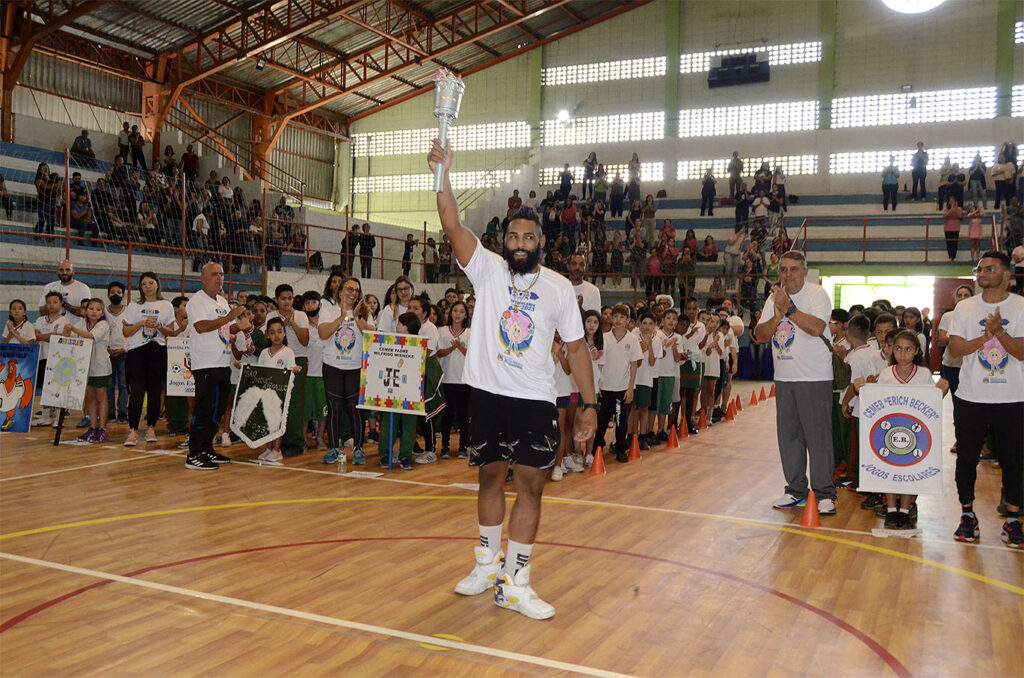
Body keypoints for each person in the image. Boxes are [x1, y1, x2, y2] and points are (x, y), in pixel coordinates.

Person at [430, 138, 597, 620]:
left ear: (540, 242)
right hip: (487, 395)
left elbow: (578, 348)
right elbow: (449, 221)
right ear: (505, 240)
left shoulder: (559, 288)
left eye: (529, 238)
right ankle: (486, 564)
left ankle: (517, 582)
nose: (520, 244)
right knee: (488, 479)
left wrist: (588, 403)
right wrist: (443, 172)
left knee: (530, 486)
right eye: (513, 238)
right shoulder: (486, 269)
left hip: (534, 400)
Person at [946, 252, 1023, 549]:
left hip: (1013, 397)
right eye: (980, 268)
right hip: (971, 397)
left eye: (990, 268)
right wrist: (986, 336)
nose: (982, 272)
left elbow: (1021, 352)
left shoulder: (1021, 307)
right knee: (966, 459)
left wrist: (1000, 332)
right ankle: (967, 516)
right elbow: (955, 348)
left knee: (1014, 461)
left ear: (1007, 274)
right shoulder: (965, 308)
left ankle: (1013, 520)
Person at [754, 251, 836, 515]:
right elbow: (759, 335)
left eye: (794, 269)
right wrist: (777, 315)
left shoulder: (816, 294)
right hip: (785, 378)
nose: (788, 275)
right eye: (784, 270)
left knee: (818, 439)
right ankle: (795, 490)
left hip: (814, 378)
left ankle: (824, 493)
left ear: (804, 272)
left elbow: (815, 327)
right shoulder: (773, 298)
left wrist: (788, 308)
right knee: (789, 438)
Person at [874, 329, 950, 529]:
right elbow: (875, 404)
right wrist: (862, 388)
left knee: (911, 470)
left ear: (917, 351)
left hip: (914, 434)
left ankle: (905, 511)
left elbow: (930, 405)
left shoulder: (924, 374)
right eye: (898, 349)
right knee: (888, 471)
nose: (902, 354)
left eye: (908, 349)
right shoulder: (886, 374)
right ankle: (891, 510)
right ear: (892, 351)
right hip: (889, 433)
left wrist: (941, 392)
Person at [185, 262, 245, 470]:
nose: (219, 278)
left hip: (223, 362)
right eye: (214, 274)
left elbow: (224, 328)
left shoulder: (221, 301)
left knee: (217, 410)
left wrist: (240, 326)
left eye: (221, 274)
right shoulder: (196, 302)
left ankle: (206, 448)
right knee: (204, 409)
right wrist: (230, 317)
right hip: (206, 364)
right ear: (202, 277)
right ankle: (194, 453)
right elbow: (201, 327)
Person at [319, 277, 373, 466]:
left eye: (356, 290)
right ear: (340, 291)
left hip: (355, 368)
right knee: (334, 409)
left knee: (354, 410)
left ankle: (358, 449)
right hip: (332, 367)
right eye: (349, 289)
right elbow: (323, 333)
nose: (353, 293)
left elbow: (372, 336)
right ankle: (333, 449)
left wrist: (357, 318)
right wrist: (342, 316)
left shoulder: (364, 312)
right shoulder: (328, 310)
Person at [121, 272, 176, 447]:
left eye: (151, 283)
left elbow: (172, 332)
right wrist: (141, 323)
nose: (148, 287)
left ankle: (151, 427)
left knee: (154, 392)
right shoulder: (133, 306)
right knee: (136, 392)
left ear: (157, 284)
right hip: (137, 352)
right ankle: (133, 430)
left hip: (157, 351)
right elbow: (126, 332)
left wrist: (159, 325)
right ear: (140, 287)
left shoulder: (166, 305)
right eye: (144, 284)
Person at [593, 304, 642, 464]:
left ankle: (621, 448)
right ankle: (597, 446)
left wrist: (630, 388)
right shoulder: (605, 338)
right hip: (606, 388)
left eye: (622, 317)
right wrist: (598, 384)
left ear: (628, 320)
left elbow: (634, 364)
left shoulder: (632, 340)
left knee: (621, 420)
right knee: (602, 420)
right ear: (611, 319)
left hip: (622, 389)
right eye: (615, 317)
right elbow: (600, 363)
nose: (618, 320)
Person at [266, 284, 310, 457]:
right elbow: (266, 340)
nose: (287, 302)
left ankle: (296, 441)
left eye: (289, 298)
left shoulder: (300, 315)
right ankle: (276, 441)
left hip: (297, 359)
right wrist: (281, 327)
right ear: (277, 300)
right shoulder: (271, 316)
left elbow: (305, 341)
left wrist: (291, 322)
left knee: (294, 403)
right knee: (277, 402)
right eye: (283, 298)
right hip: (276, 359)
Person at [252, 318, 304, 464]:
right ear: (267, 335)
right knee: (267, 422)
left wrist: (295, 369)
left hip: (280, 395)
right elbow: (259, 371)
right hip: (265, 394)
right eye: (272, 333)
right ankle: (268, 447)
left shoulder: (288, 352)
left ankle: (277, 449)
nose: (276, 336)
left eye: (280, 332)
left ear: (284, 334)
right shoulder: (263, 353)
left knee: (277, 422)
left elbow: (292, 368)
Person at [64, 299, 111, 442]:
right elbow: (69, 337)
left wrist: (72, 328)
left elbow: (91, 336)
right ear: (85, 311)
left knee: (101, 396)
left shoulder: (103, 324)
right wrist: (66, 331)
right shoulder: (82, 323)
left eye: (98, 309)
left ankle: (102, 429)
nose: (94, 312)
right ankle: (92, 427)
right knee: (90, 398)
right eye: (91, 308)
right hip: (84, 367)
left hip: (100, 366)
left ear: (102, 313)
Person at [437, 300, 471, 458]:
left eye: (461, 311)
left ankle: (464, 446)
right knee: (447, 415)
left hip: (464, 380)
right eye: (455, 311)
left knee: (464, 415)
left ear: (466, 315)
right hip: (447, 378)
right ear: (450, 313)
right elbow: (438, 353)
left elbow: (472, 356)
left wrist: (460, 346)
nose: (458, 314)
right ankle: (444, 446)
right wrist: (452, 347)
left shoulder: (470, 332)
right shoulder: (442, 331)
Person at [104, 282, 129, 423]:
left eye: (118, 292)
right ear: (108, 295)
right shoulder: (103, 312)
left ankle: (123, 411)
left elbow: (131, 333)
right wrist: (106, 347)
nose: (115, 294)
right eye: (112, 292)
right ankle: (110, 412)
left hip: (124, 352)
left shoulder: (128, 311)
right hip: (107, 352)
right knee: (109, 383)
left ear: (123, 295)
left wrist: (124, 348)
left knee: (124, 383)